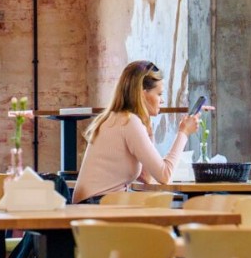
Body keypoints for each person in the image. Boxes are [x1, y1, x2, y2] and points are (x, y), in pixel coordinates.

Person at [72, 60, 202, 204]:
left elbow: (146, 176)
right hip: (95, 206)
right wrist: (184, 132)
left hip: (97, 204)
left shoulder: (118, 117)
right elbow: (164, 175)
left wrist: (148, 130)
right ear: (142, 94)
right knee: (170, 208)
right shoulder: (128, 121)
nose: (162, 101)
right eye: (159, 94)